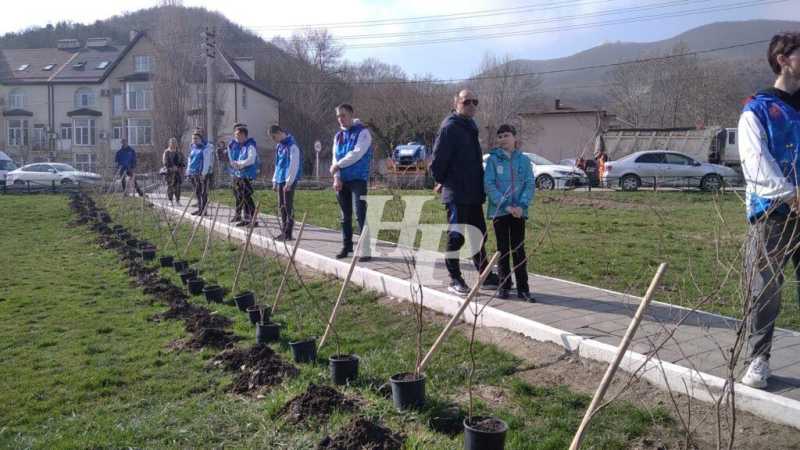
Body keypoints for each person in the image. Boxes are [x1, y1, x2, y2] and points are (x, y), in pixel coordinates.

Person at [739, 32, 800, 389]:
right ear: (783, 59)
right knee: (765, 290)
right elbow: (756, 164)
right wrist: (792, 195)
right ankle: (758, 359)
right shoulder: (758, 109)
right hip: (772, 213)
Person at [430, 89, 499, 296]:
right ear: (456, 102)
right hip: (457, 191)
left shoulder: (470, 125)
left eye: (474, 101)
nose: (471, 105)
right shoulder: (450, 127)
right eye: (466, 101)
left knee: (479, 234)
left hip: (473, 191)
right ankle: (454, 278)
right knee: (457, 235)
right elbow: (438, 160)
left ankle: (484, 274)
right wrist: (442, 181)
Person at [484, 124, 536, 302]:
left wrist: (521, 205)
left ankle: (523, 289)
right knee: (503, 250)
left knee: (518, 249)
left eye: (506, 135)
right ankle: (504, 285)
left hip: (519, 212)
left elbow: (530, 183)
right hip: (501, 212)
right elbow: (489, 184)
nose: (502, 139)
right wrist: (505, 205)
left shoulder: (524, 160)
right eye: (499, 136)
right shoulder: (493, 160)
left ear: (514, 138)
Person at [330, 103, 372, 261]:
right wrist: (336, 177)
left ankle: (366, 250)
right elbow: (335, 157)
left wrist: (338, 165)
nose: (340, 119)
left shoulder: (363, 132)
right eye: (338, 116)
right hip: (342, 180)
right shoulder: (338, 136)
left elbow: (357, 153)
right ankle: (347, 246)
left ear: (351, 114)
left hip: (357, 180)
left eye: (343, 115)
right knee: (344, 215)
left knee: (360, 214)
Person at [270, 125, 302, 241]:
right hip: (280, 178)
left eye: (274, 137)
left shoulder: (292, 146)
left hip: (289, 180)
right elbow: (277, 164)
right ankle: (283, 230)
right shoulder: (279, 146)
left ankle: (288, 232)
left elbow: (294, 165)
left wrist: (289, 182)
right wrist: (274, 180)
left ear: (279, 132)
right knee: (281, 206)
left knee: (288, 205)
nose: (274, 140)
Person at [229, 124, 259, 227]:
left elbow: (251, 159)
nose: (236, 137)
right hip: (240, 175)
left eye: (237, 135)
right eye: (235, 135)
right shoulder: (242, 146)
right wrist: (236, 164)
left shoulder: (250, 146)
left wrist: (240, 164)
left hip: (247, 175)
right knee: (242, 197)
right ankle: (246, 219)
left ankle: (254, 220)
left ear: (243, 135)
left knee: (247, 197)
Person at [186, 130, 215, 216]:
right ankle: (200, 209)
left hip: (202, 174)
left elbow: (206, 162)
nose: (194, 140)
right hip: (193, 173)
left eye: (196, 138)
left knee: (203, 192)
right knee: (197, 192)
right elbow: (189, 160)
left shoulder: (205, 148)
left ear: (201, 139)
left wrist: (203, 174)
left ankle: (204, 210)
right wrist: (188, 171)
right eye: (193, 138)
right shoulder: (193, 147)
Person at [162, 137, 185, 205]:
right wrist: (171, 167)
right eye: (172, 143)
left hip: (177, 172)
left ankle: (178, 200)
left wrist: (179, 167)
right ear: (169, 144)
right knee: (170, 186)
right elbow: (165, 161)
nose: (173, 144)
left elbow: (182, 161)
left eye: (174, 143)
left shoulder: (179, 152)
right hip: (169, 172)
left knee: (178, 186)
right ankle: (170, 200)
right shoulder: (167, 152)